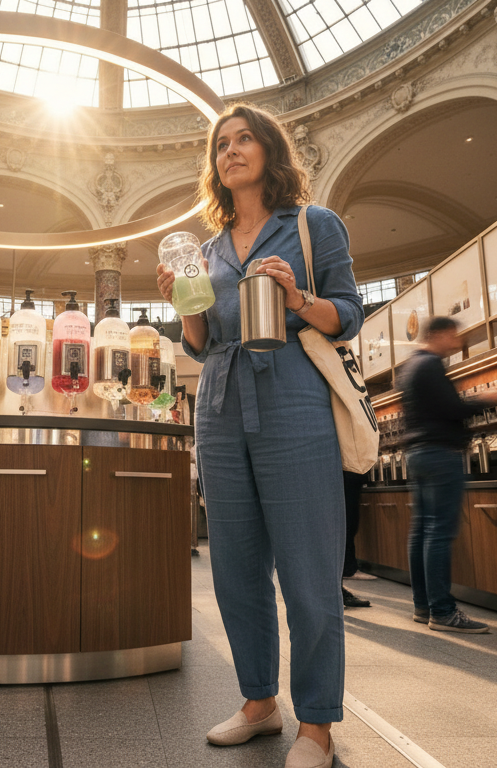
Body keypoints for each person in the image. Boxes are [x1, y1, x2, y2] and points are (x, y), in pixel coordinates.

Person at [156, 103, 363, 768]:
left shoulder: (311, 225)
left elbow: (348, 315)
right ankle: (257, 703)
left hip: (294, 397)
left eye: (245, 140)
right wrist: (182, 306)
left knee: (308, 569)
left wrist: (297, 297)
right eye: (222, 144)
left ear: (270, 152)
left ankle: (318, 725)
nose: (232, 151)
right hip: (217, 400)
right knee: (235, 569)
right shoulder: (207, 250)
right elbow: (202, 340)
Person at [398, 316, 497, 633]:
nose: (457, 342)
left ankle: (424, 606)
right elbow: (452, 409)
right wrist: (486, 399)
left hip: (417, 454)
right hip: (439, 455)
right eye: (454, 335)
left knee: (421, 532)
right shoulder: (430, 365)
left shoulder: (410, 367)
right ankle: (443, 612)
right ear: (439, 335)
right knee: (438, 533)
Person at [340, 470, 373, 608]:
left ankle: (337, 589)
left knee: (346, 527)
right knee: (346, 527)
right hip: (346, 473)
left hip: (346, 474)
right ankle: (338, 589)